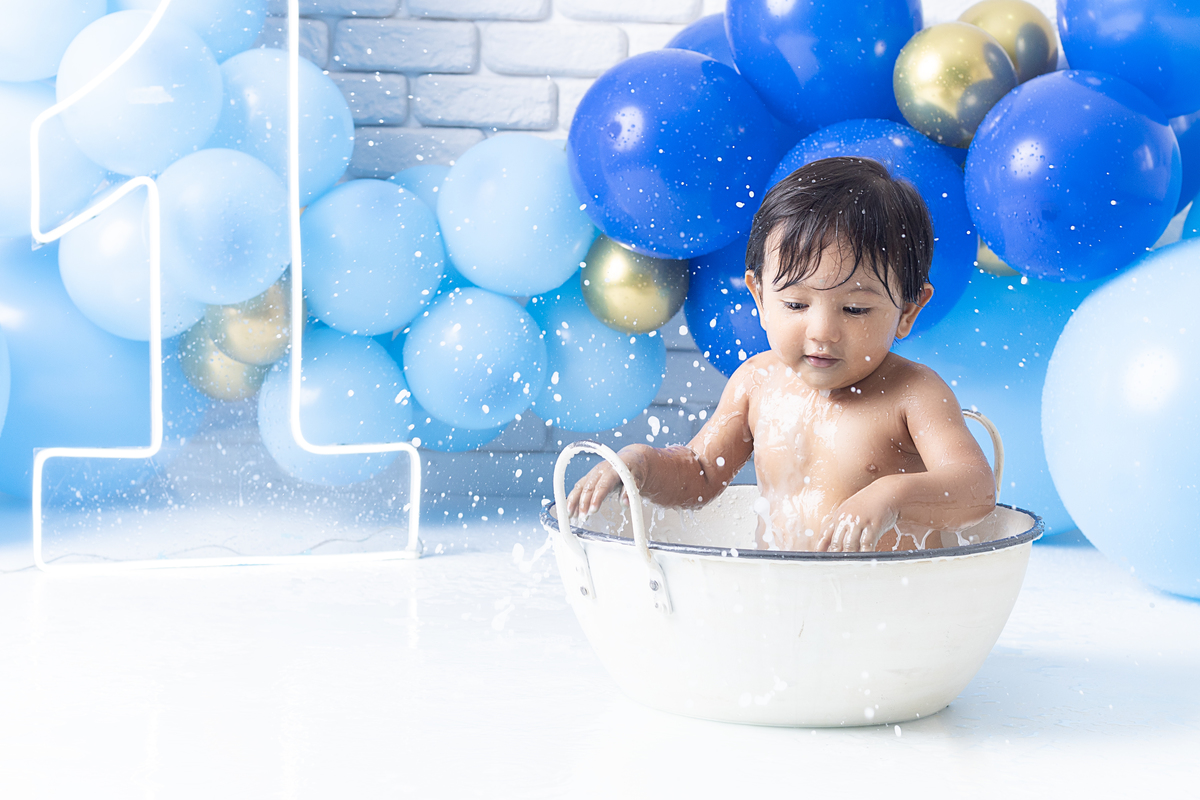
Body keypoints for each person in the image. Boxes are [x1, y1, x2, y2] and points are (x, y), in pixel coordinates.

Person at [565, 156, 995, 552]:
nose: (823, 331)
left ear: (907, 311)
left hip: (884, 607)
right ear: (759, 298)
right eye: (795, 304)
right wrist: (641, 464)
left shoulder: (913, 395)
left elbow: (975, 489)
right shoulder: (757, 383)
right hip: (781, 601)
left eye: (855, 309)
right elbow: (699, 474)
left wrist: (891, 496)